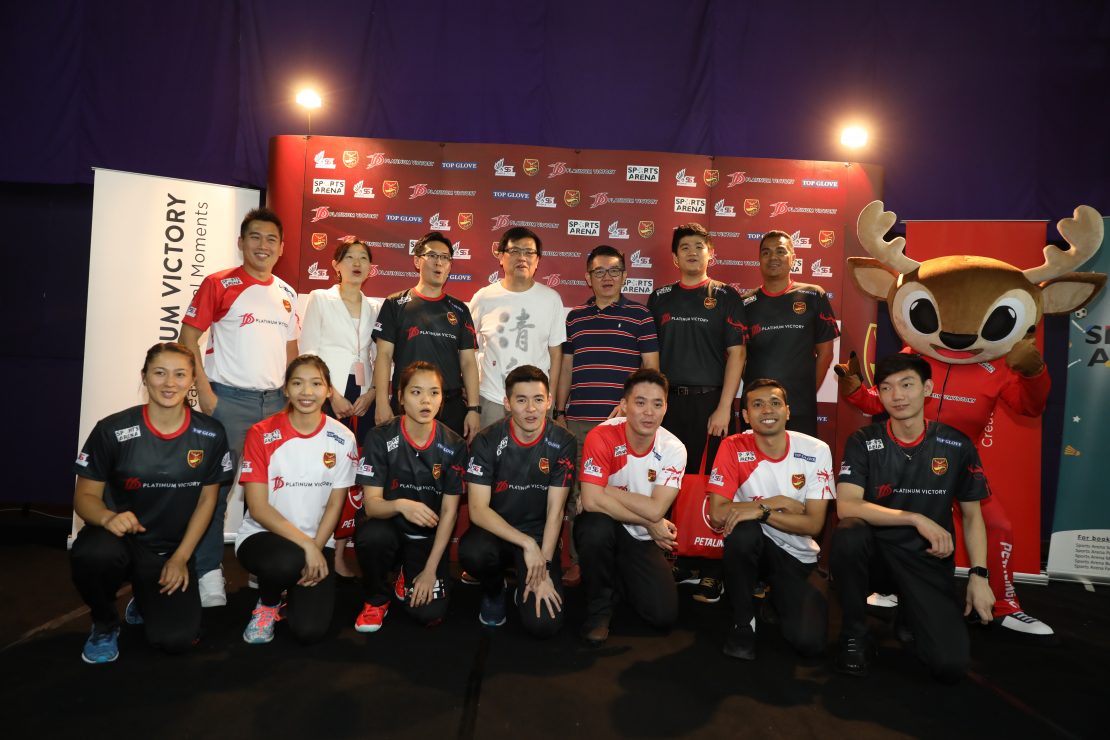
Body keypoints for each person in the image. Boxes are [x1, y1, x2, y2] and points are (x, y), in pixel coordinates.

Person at [831, 353, 994, 682]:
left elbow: (972, 516)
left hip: (926, 560)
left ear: (927, 388)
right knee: (848, 534)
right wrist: (915, 518)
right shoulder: (863, 441)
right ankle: (854, 635)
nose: (897, 396)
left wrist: (979, 576)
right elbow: (847, 506)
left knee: (949, 664)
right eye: (887, 388)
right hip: (876, 556)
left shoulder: (956, 445)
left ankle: (911, 611)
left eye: (907, 385)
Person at [70, 342, 232, 663]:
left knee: (176, 640)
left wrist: (181, 557)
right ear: (144, 377)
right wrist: (107, 518)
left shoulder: (211, 433)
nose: (169, 383)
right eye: (159, 373)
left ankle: (145, 598)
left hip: (170, 552)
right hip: (119, 541)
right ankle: (104, 623)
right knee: (92, 554)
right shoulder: (112, 430)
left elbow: (207, 502)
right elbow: (84, 498)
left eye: (180, 374)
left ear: (192, 380)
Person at [180, 207, 300, 607]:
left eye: (271, 239)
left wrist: (291, 398)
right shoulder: (220, 283)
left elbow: (291, 351)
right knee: (215, 491)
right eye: (255, 237)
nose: (263, 245)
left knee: (266, 492)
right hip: (228, 401)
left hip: (275, 404)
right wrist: (205, 393)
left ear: (281, 248)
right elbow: (187, 340)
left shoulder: (287, 293)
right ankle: (208, 571)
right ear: (241, 242)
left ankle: (261, 568)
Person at [647, 222, 746, 604]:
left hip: (711, 403)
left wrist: (724, 406)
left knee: (714, 483)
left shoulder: (725, 295)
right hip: (669, 404)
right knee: (672, 481)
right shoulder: (660, 298)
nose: (692, 252)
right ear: (674, 257)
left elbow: (737, 354)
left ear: (710, 254)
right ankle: (682, 556)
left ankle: (713, 569)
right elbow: (650, 356)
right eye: (685, 247)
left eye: (699, 246)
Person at [706, 379, 834, 660]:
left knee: (809, 643)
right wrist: (775, 503)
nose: (767, 410)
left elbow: (814, 525)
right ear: (745, 415)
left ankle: (775, 600)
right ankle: (743, 621)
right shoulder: (733, 446)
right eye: (757, 404)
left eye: (775, 403)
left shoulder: (816, 450)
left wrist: (762, 511)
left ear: (787, 411)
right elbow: (717, 514)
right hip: (754, 546)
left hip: (796, 554)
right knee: (743, 532)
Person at [554, 245, 659, 587]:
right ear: (588, 278)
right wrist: (559, 411)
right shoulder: (575, 318)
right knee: (579, 497)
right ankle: (580, 561)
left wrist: (630, 406)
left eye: (614, 270)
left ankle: (626, 562)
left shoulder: (641, 316)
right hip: (580, 422)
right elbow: (566, 369)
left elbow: (651, 369)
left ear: (625, 276)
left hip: (625, 426)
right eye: (599, 271)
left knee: (625, 491)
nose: (607, 277)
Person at [234, 355, 356, 645]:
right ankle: (268, 602)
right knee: (285, 562)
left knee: (309, 630)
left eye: (316, 384)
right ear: (286, 389)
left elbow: (335, 505)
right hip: (264, 536)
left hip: (318, 539)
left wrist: (317, 547)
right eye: (298, 383)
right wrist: (307, 547)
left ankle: (291, 591)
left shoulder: (343, 437)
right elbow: (258, 509)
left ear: (329, 390)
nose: (306, 392)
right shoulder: (261, 434)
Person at [459, 365, 577, 635]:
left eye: (538, 399)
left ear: (549, 401)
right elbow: (477, 510)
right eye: (521, 400)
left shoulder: (563, 441)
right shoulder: (487, 440)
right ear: (507, 403)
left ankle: (525, 582)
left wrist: (545, 565)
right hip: (497, 532)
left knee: (544, 626)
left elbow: (555, 511)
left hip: (539, 536)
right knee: (473, 552)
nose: (531, 409)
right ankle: (494, 590)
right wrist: (525, 543)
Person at [575, 368, 687, 645]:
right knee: (593, 527)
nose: (649, 412)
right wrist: (649, 520)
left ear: (666, 408)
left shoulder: (674, 448)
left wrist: (604, 489)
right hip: (607, 523)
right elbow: (590, 501)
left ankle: (619, 577)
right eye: (640, 402)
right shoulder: (601, 436)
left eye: (657, 404)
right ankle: (599, 610)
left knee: (662, 616)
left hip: (641, 536)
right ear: (624, 405)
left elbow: (656, 509)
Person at [353, 361, 467, 631]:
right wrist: (402, 505)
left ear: (442, 398)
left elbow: (449, 512)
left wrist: (430, 570)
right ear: (401, 397)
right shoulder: (380, 437)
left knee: (429, 614)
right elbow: (371, 506)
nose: (426, 400)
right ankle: (377, 599)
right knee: (372, 536)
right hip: (389, 528)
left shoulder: (455, 445)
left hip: (426, 539)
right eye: (416, 392)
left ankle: (409, 570)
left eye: (434, 393)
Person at [299, 238, 382, 578]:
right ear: (336, 265)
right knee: (322, 471)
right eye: (350, 257)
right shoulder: (320, 298)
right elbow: (308, 352)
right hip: (326, 395)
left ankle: (338, 555)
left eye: (363, 258)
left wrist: (373, 393)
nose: (357, 263)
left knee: (353, 476)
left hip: (361, 398)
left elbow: (379, 357)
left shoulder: (374, 307)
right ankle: (312, 548)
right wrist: (330, 393)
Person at [372, 232, 480, 440]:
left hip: (450, 405)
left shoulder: (459, 310)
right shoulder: (395, 304)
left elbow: (468, 362)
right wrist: (382, 402)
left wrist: (474, 409)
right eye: (432, 256)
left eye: (445, 257)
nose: (439, 263)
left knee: (450, 460)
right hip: (407, 404)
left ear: (450, 265)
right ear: (417, 261)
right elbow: (383, 356)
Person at [741, 230, 838, 437]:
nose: (773, 257)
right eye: (766, 252)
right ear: (759, 259)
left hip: (800, 406)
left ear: (793, 257)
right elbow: (736, 357)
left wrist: (806, 391)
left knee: (800, 458)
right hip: (756, 408)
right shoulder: (745, 303)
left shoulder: (814, 295)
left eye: (780, 251)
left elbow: (826, 353)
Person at [469, 226, 566, 429]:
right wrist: (473, 400)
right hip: (492, 399)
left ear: (537, 260)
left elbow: (556, 354)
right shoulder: (483, 298)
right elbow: (468, 350)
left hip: (535, 402)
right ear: (500, 257)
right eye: (514, 251)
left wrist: (549, 398)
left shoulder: (551, 299)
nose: (522, 257)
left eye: (529, 252)